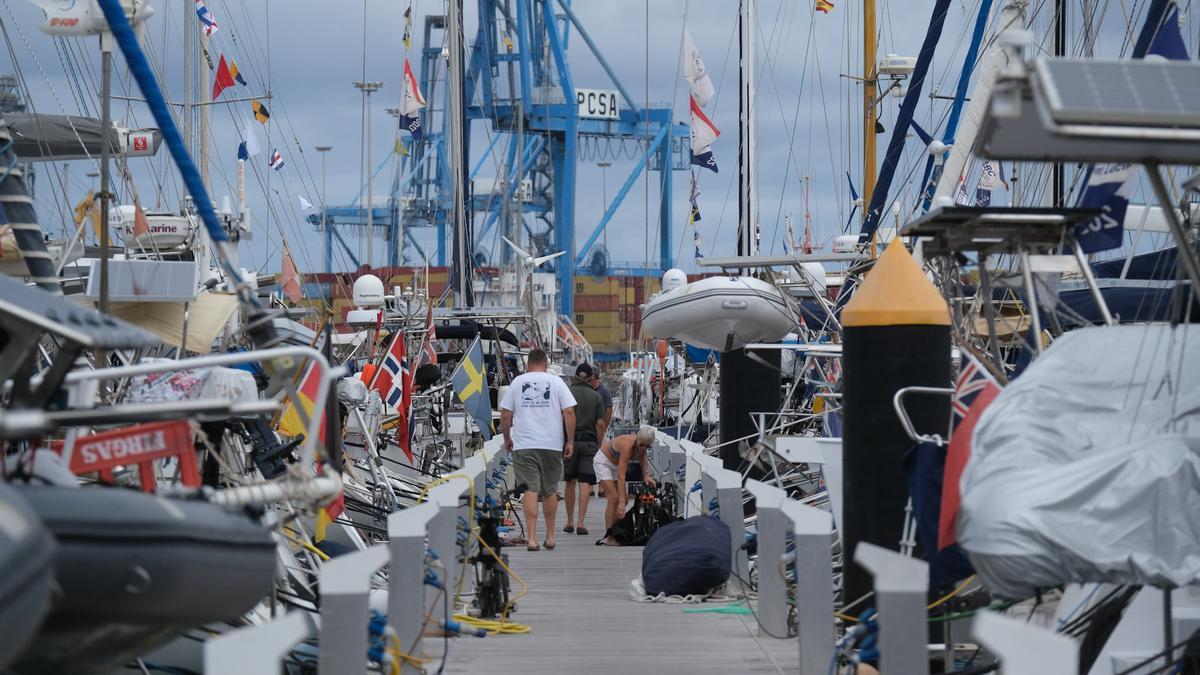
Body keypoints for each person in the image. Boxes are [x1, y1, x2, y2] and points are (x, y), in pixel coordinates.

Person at [499, 348, 576, 551]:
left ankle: (532, 538)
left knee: (530, 490)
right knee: (550, 490)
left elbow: (505, 414)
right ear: (546, 363)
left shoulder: (517, 382)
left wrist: (507, 438)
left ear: (527, 364)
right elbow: (569, 411)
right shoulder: (556, 382)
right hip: (552, 445)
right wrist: (570, 441)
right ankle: (550, 537)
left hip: (524, 444)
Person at [593, 424, 656, 544]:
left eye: (647, 446)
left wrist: (645, 475)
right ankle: (609, 536)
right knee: (614, 498)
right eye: (642, 445)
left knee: (625, 500)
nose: (643, 448)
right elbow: (621, 476)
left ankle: (616, 529)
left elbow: (642, 457)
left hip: (615, 464)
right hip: (603, 462)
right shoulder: (628, 446)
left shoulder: (642, 446)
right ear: (637, 439)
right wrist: (621, 503)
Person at [563, 363, 606, 536]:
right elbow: (601, 424)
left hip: (570, 441)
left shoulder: (567, 393)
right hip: (589, 442)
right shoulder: (596, 397)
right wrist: (599, 445)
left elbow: (562, 417)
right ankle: (581, 523)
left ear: (576, 376)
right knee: (585, 483)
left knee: (569, 481)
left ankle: (569, 521)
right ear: (590, 378)